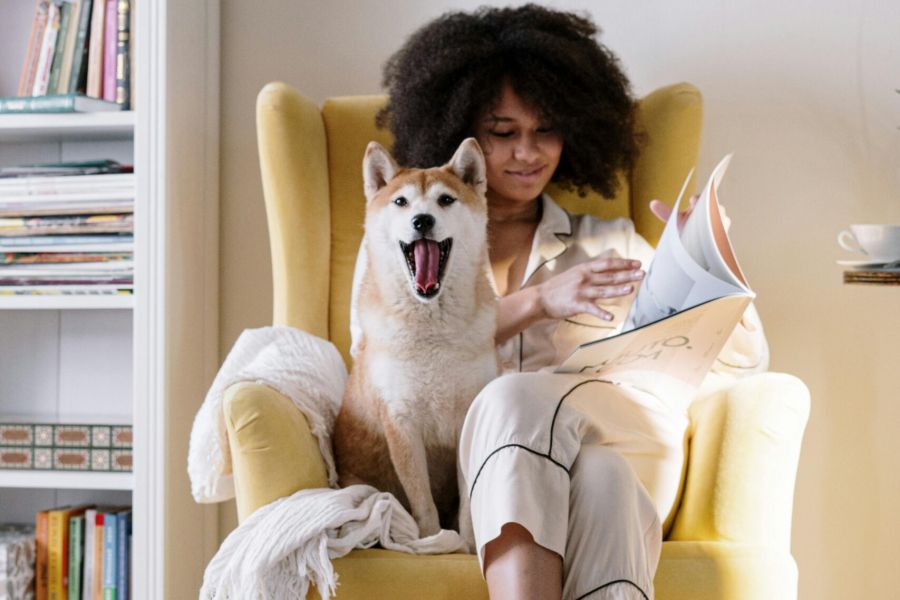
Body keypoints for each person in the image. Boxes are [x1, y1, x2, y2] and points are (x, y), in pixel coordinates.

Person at [367, 5, 769, 599]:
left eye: (546, 130)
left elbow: (744, 361)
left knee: (588, 448)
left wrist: (706, 255)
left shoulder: (610, 243)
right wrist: (536, 303)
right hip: (489, 489)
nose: (528, 153)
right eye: (503, 133)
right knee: (600, 478)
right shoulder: (401, 239)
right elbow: (388, 360)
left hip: (627, 450)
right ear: (463, 140)